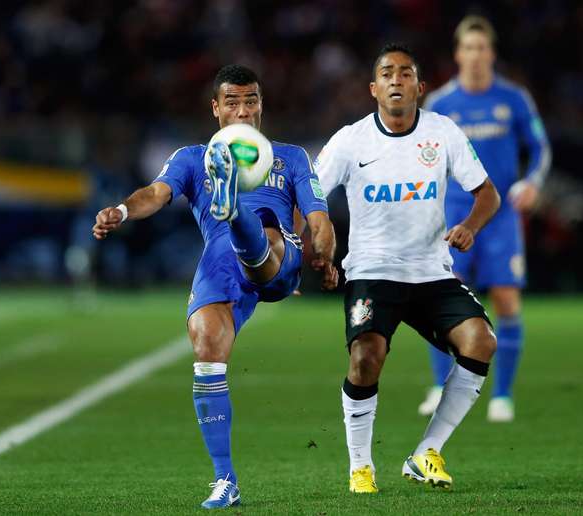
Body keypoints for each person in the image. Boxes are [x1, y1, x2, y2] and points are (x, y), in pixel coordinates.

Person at [92, 64, 338, 509]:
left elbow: (319, 219)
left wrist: (324, 253)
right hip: (220, 264)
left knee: (261, 236)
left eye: (251, 101)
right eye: (232, 102)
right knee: (207, 346)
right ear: (215, 109)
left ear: (261, 104)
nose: (243, 110)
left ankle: (234, 210)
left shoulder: (291, 157)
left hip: (280, 250)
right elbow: (155, 193)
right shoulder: (191, 158)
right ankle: (225, 480)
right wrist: (123, 212)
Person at [314, 43, 500, 493]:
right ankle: (361, 466)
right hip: (372, 272)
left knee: (481, 341)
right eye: (387, 73)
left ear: (420, 86)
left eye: (405, 73)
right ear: (373, 88)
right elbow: (311, 193)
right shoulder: (351, 139)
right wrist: (318, 244)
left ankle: (427, 451)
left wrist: (471, 227)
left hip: (431, 271)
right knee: (366, 358)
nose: (396, 79)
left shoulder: (443, 132)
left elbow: (487, 193)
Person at [419, 15, 551, 422]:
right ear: (458, 54)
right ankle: (442, 386)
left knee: (506, 299)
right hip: (454, 213)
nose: (475, 55)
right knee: (444, 299)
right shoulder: (440, 104)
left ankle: (503, 396)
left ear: (491, 53)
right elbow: (420, 159)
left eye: (482, 48)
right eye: (468, 48)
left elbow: (540, 148)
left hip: (500, 214)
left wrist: (532, 182)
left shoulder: (513, 99)